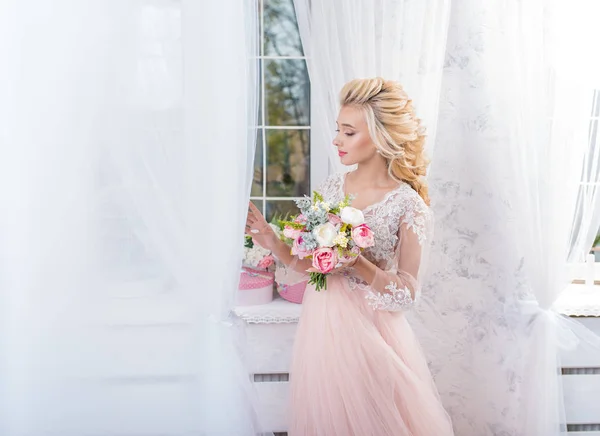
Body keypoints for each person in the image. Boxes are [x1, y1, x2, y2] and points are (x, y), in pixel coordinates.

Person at [245, 77, 454, 436]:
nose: (336, 140)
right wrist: (273, 242)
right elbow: (311, 265)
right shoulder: (330, 187)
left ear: (379, 137)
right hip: (322, 327)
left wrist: (358, 262)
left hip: (371, 331)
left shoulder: (408, 205)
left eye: (348, 132)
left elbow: (407, 293)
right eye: (338, 130)